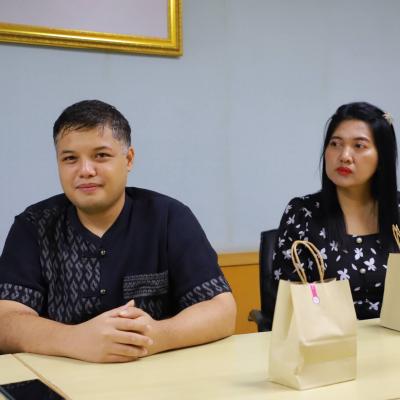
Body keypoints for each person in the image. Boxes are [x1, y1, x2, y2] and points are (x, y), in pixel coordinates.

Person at [0, 100, 236, 363]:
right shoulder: (33, 225)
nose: (85, 171)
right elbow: (6, 320)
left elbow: (221, 310)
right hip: (58, 376)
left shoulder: (168, 217)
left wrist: (156, 335)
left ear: (129, 159)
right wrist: (75, 339)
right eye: (70, 159)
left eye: (101, 155)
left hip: (154, 374)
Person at [272, 101, 399, 320]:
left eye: (359, 146)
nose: (344, 156)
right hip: (328, 338)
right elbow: (288, 305)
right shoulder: (302, 214)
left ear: (382, 157)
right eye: (335, 144)